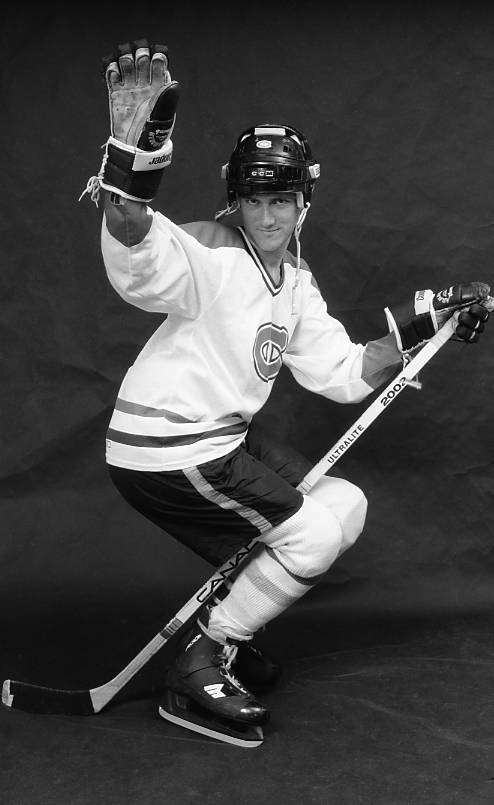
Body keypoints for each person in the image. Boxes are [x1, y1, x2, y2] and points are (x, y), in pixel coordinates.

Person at [82, 40, 491, 747]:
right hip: (168, 447)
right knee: (308, 533)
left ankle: (226, 643)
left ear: (303, 201)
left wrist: (432, 322)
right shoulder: (210, 250)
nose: (268, 218)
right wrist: (130, 163)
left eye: (282, 200)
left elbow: (345, 370)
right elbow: (137, 249)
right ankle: (201, 659)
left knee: (344, 505)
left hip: (218, 441)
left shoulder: (293, 283)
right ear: (233, 197)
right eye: (254, 199)